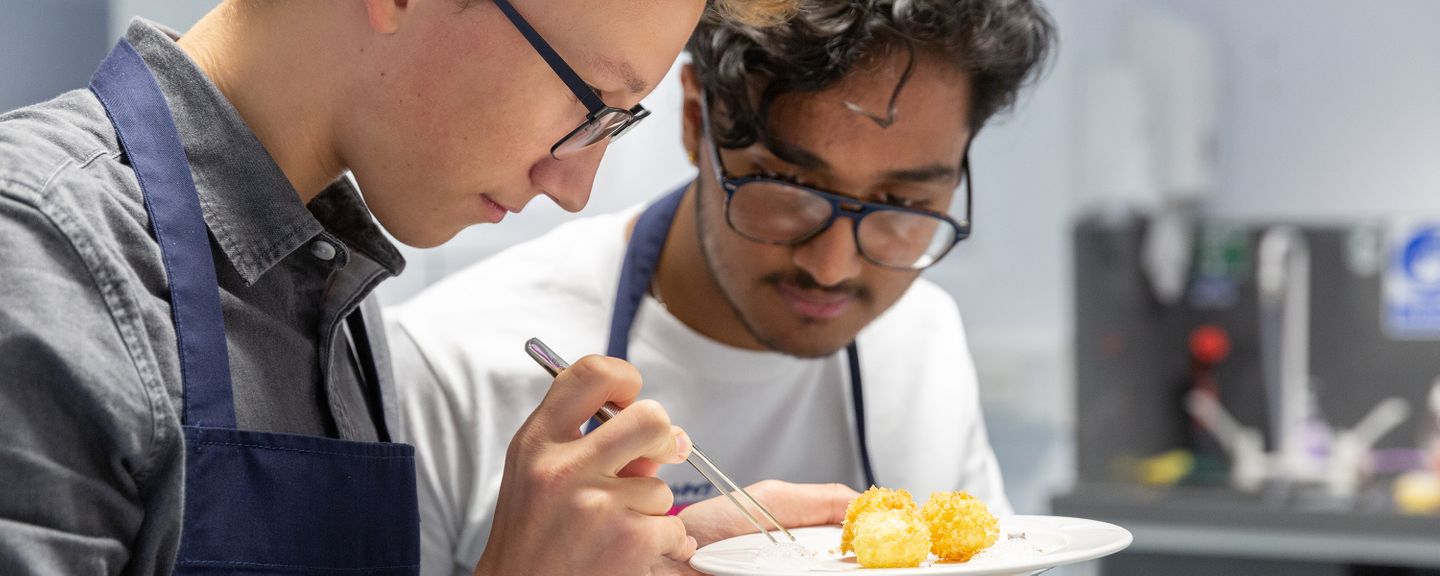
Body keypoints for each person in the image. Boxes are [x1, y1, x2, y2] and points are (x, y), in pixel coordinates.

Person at [0, 1, 806, 575]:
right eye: (589, 102)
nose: (575, 187)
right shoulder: (36, 251)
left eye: (618, 125)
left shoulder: (331, 291)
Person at [387, 1, 1057, 574]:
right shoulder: (445, 365)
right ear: (693, 120)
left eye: (901, 202)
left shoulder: (921, 335)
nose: (832, 266)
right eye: (789, 190)